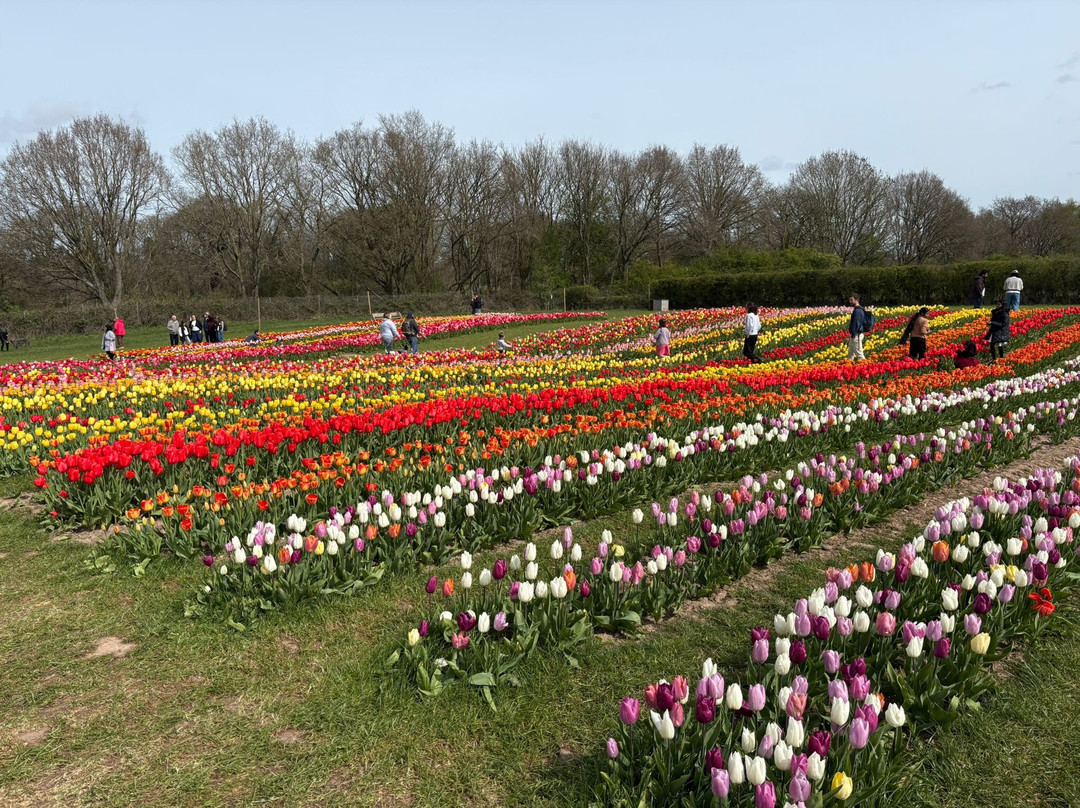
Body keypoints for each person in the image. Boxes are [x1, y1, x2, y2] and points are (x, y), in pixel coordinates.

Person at [847, 295, 868, 362]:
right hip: (854, 334)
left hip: (856, 334)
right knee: (851, 353)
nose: (850, 301)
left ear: (857, 300)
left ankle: (865, 366)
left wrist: (853, 333)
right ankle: (848, 365)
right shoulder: (857, 310)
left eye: (851, 300)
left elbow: (856, 324)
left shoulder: (858, 311)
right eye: (849, 300)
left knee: (859, 353)